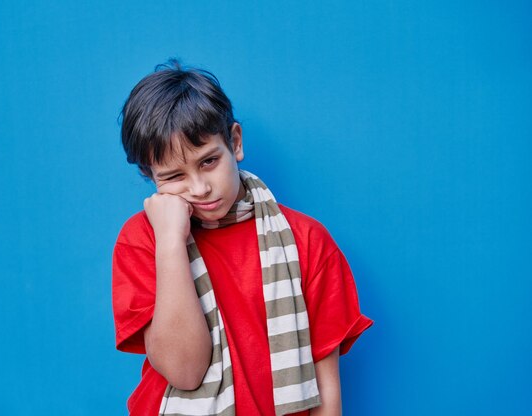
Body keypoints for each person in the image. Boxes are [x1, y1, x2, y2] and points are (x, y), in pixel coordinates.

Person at [112, 60, 373, 416]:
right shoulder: (143, 240)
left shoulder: (307, 240)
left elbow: (326, 386)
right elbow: (184, 372)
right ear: (150, 175)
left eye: (208, 162)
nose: (200, 188)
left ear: (234, 142)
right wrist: (172, 242)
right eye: (174, 176)